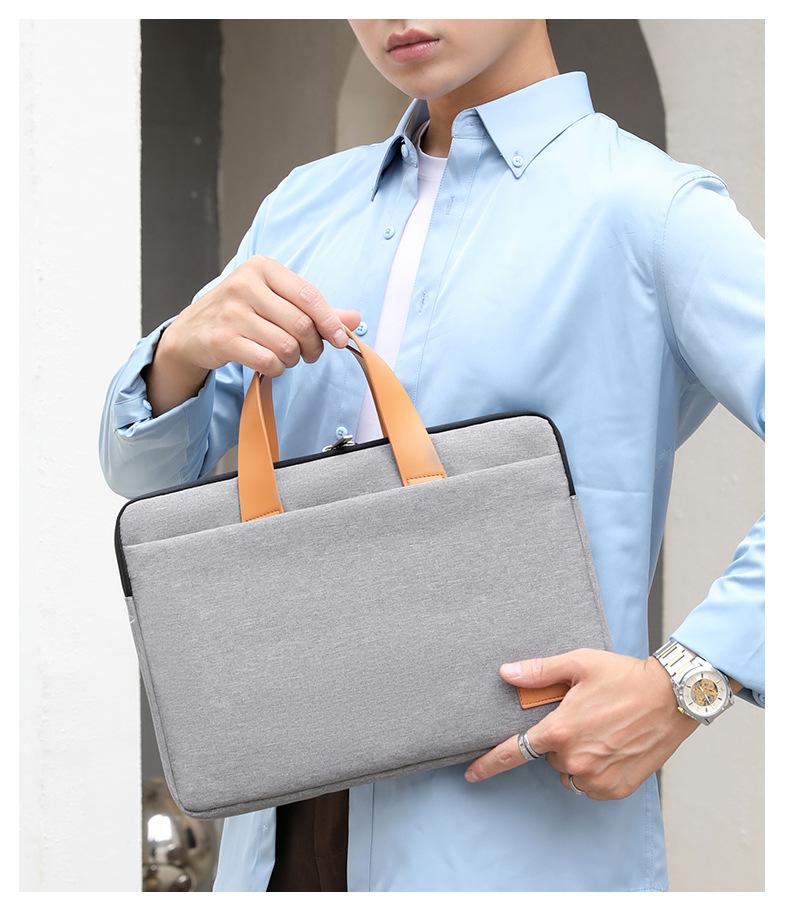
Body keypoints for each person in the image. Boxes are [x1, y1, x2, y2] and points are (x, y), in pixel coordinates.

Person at [99, 20, 764, 892]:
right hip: (279, 847)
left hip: (514, 850)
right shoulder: (300, 208)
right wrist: (180, 351)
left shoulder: (648, 210)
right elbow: (147, 478)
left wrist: (689, 680)